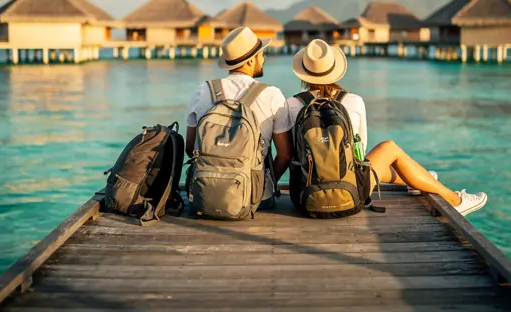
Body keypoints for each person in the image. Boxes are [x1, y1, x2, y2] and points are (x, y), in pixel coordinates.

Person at [284, 39, 488, 216]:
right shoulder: (353, 101)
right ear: (336, 71)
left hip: (306, 197)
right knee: (389, 148)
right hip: (350, 194)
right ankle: (455, 201)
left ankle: (418, 179)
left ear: (303, 74)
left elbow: (290, 152)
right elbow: (359, 152)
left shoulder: (292, 104)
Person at [185, 26, 294, 208]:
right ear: (251, 61)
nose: (264, 59)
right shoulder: (272, 95)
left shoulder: (202, 90)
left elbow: (191, 149)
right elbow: (285, 155)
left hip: (204, 196)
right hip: (255, 199)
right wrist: (265, 185)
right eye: (261, 54)